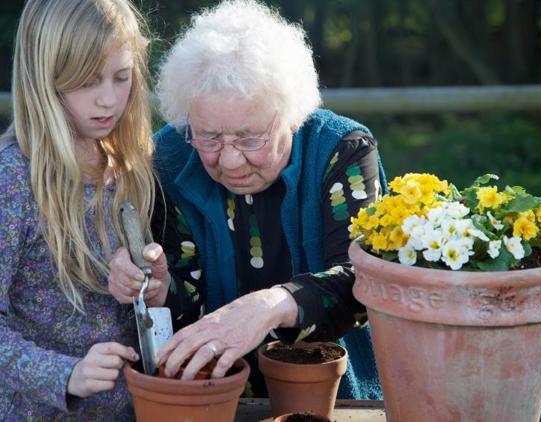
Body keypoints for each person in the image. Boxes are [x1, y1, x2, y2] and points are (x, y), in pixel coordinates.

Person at [109, 0, 387, 400]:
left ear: (293, 115)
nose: (230, 159)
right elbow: (183, 314)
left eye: (249, 137)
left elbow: (363, 280)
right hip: (212, 399)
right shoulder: (169, 159)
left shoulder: (341, 151)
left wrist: (271, 305)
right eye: (209, 137)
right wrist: (159, 288)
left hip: (335, 397)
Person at [0, 0, 157, 419]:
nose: (108, 100)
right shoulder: (13, 181)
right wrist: (66, 374)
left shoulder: (131, 166)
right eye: (87, 82)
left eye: (121, 77)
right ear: (44, 80)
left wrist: (152, 285)